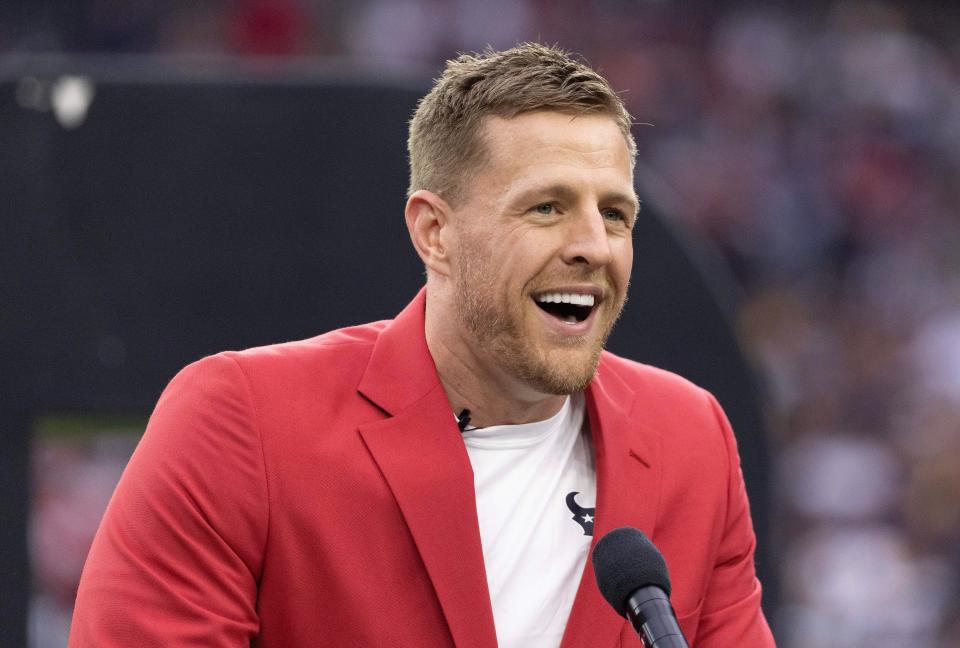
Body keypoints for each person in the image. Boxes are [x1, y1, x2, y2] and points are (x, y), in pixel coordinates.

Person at [70, 44, 775, 647]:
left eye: (615, 214)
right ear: (434, 233)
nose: (594, 246)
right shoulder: (240, 421)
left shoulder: (692, 438)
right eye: (547, 207)